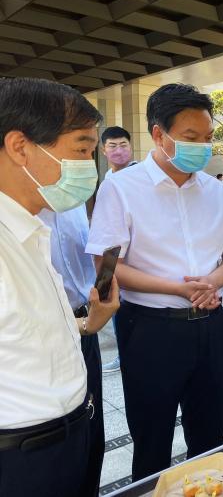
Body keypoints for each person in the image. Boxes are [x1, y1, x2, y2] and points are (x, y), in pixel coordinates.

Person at [87, 83, 223, 481]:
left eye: (207, 138)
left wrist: (212, 282)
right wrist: (176, 288)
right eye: (191, 138)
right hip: (151, 330)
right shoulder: (121, 188)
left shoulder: (214, 189)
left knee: (209, 434)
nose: (203, 147)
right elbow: (107, 267)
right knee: (152, 437)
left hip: (209, 326)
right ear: (159, 134)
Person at [0, 77, 118, 497]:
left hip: (66, 437)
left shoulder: (30, 229)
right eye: (82, 150)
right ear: (20, 147)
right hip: (22, 458)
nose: (90, 166)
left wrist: (89, 325)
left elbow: (28, 338)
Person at [37, 205, 106, 497]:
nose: (83, 164)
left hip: (85, 331)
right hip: (40, 346)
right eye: (78, 154)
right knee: (50, 451)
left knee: (91, 438)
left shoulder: (74, 203)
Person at [102, 126, 137, 373]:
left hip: (134, 261)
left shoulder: (138, 176)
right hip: (112, 259)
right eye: (113, 146)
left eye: (123, 144)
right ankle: (124, 355)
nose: (119, 150)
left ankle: (131, 355)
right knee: (115, 307)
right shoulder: (107, 178)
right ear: (103, 150)